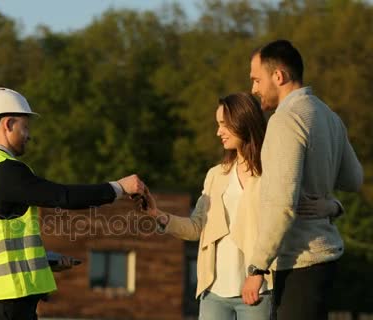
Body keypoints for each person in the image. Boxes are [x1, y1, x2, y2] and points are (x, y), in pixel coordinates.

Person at [139, 92, 341, 320]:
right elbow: (197, 228)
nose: (218, 132)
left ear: (243, 121)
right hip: (213, 293)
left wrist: (333, 207)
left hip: (258, 291)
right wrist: (157, 215)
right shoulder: (215, 175)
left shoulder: (273, 173)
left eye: (224, 124)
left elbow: (301, 204)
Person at [0, 87, 145, 320]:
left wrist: (46, 260)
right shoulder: (6, 170)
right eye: (25, 127)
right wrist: (118, 188)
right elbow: (62, 196)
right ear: (8, 124)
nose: (29, 135)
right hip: (10, 298)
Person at [241, 39, 364, 320]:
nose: (253, 89)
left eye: (257, 80)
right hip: (327, 258)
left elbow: (281, 204)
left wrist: (258, 268)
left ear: (279, 76)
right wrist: (333, 206)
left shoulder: (285, 120)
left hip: (301, 261)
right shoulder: (329, 116)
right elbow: (354, 179)